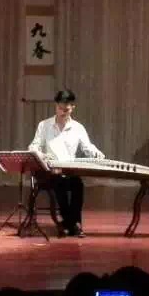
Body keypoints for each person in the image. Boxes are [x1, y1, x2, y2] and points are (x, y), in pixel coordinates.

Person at [28, 90, 105, 237]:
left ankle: (70, 223)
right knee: (59, 182)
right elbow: (33, 147)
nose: (63, 112)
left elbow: (88, 147)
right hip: (50, 171)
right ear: (56, 106)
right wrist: (42, 155)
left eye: (67, 109)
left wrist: (96, 153)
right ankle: (74, 225)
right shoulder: (44, 125)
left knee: (78, 184)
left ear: (73, 107)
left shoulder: (78, 128)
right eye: (60, 108)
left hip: (69, 171)